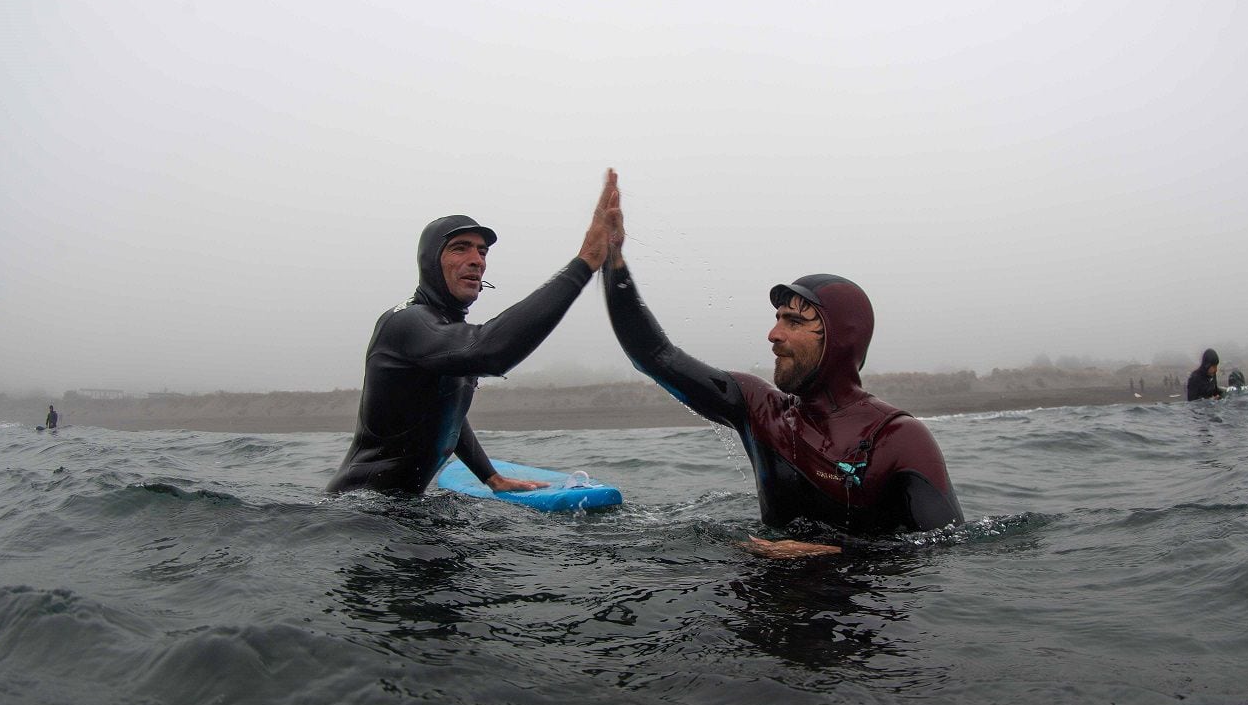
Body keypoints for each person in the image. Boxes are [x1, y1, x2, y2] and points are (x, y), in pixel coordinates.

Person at [602, 187, 964, 559]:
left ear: (841, 339)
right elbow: (654, 354)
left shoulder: (898, 438)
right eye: (777, 320)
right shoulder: (761, 410)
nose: (773, 334)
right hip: (762, 601)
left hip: (857, 610)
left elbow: (948, 548)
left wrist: (831, 552)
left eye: (793, 321)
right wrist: (613, 260)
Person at [327, 170, 620, 495]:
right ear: (430, 262)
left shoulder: (445, 333)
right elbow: (489, 352)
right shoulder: (407, 323)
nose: (476, 260)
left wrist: (490, 477)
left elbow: (448, 410)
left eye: (482, 252)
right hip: (357, 515)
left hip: (397, 512)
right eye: (460, 248)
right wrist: (585, 263)